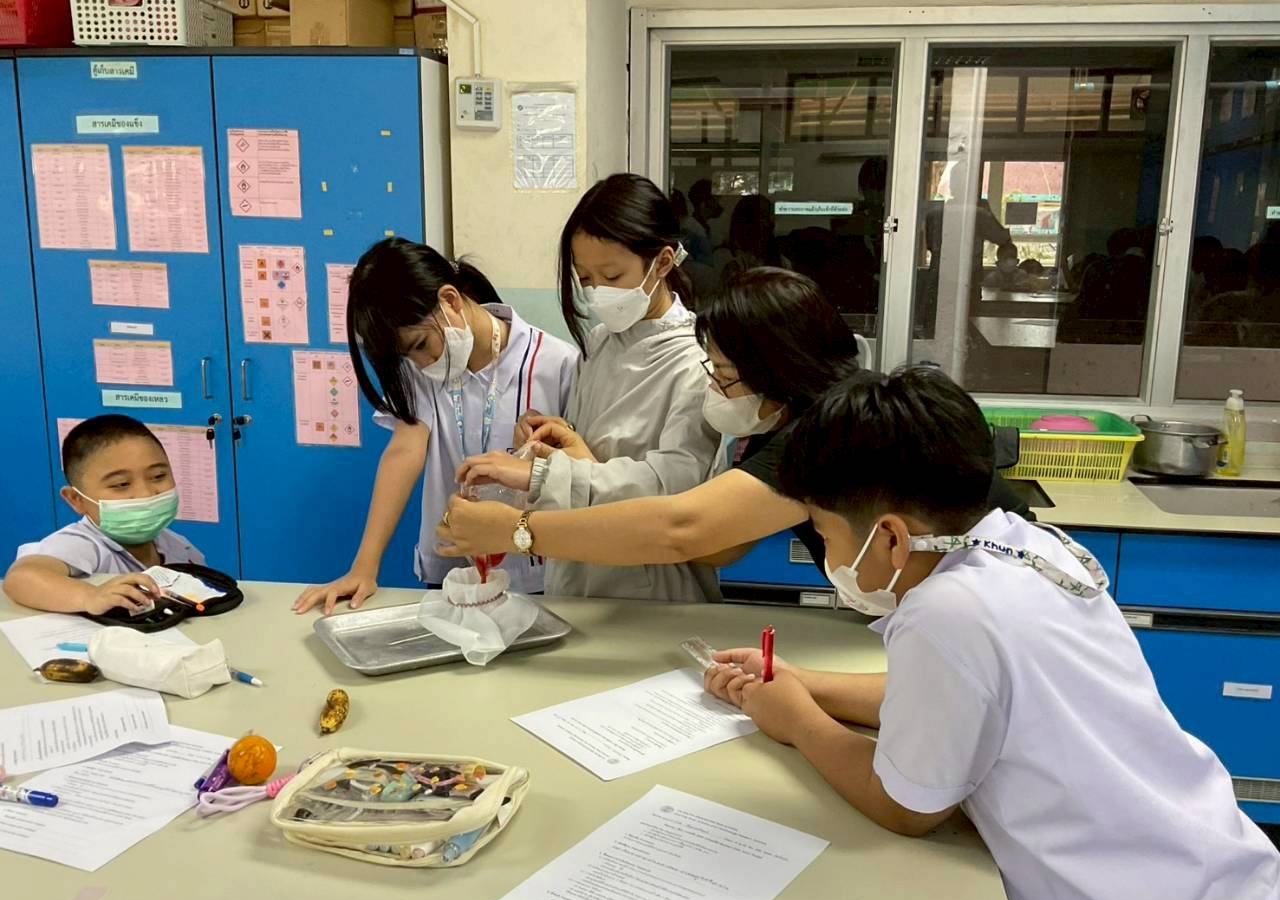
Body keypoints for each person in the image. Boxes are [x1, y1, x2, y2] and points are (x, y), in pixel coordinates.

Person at [701, 366, 1280, 900]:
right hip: (1221, 882)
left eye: (826, 534)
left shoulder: (946, 612)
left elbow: (906, 805)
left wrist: (797, 720)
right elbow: (965, 696)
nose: (829, 555)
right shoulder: (1026, 545)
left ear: (892, 538)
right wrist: (803, 683)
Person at [438, 268, 1028, 579]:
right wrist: (587, 471)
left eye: (722, 373)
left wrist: (517, 529)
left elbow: (684, 529)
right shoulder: (777, 423)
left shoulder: (833, 430)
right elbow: (719, 547)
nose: (714, 389)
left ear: (775, 369)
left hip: (989, 593)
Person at [451, 173, 724, 602]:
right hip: (578, 571)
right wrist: (552, 441)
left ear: (663, 262)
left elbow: (671, 492)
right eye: (586, 278)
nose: (598, 293)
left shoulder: (696, 362)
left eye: (612, 275)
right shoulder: (600, 343)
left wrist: (543, 474)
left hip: (652, 589)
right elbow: (589, 455)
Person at [293, 238, 577, 615]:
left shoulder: (557, 363)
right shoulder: (421, 372)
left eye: (421, 344)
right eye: (408, 355)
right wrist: (364, 566)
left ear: (450, 300)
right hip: (453, 571)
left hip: (533, 566)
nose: (423, 362)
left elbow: (582, 470)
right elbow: (404, 451)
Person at [4, 415, 204, 615]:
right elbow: (21, 578)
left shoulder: (181, 548)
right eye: (121, 484)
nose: (146, 493)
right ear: (77, 500)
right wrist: (89, 596)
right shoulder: (85, 544)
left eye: (158, 476)